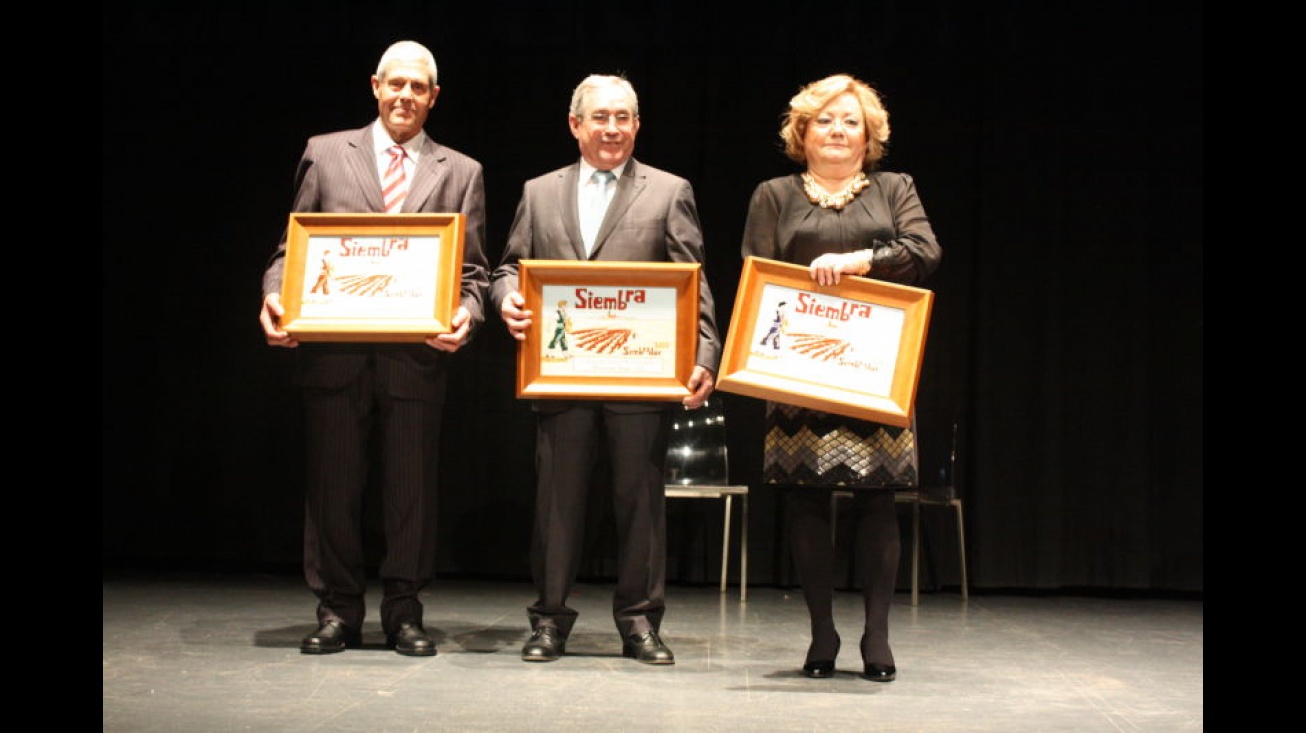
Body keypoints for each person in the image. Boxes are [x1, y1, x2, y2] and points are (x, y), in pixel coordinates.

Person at [258, 40, 489, 657]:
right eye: (396, 85)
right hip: (333, 357)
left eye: (419, 88)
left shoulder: (461, 171)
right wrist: (274, 297)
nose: (406, 97)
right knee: (333, 489)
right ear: (375, 86)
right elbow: (291, 249)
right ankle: (337, 611)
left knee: (411, 493)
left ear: (434, 97)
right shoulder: (327, 153)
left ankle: (404, 614)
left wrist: (467, 316)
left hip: (415, 360)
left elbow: (474, 276)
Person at [491, 74, 721, 666]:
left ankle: (640, 624)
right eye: (600, 117)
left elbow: (693, 283)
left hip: (639, 379)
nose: (612, 128)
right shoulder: (539, 192)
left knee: (640, 502)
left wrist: (703, 355)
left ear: (637, 125)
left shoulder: (669, 191)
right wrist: (506, 298)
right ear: (576, 125)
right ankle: (548, 621)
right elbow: (508, 267)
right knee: (556, 505)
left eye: (623, 117)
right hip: (561, 374)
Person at [740, 73, 942, 682]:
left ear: (869, 135)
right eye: (824, 120)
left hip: (874, 371)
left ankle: (876, 636)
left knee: (879, 502)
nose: (837, 130)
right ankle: (822, 633)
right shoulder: (772, 194)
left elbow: (926, 252)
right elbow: (755, 277)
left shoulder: (894, 187)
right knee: (806, 500)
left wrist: (863, 260)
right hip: (799, 370)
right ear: (802, 132)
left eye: (850, 121)